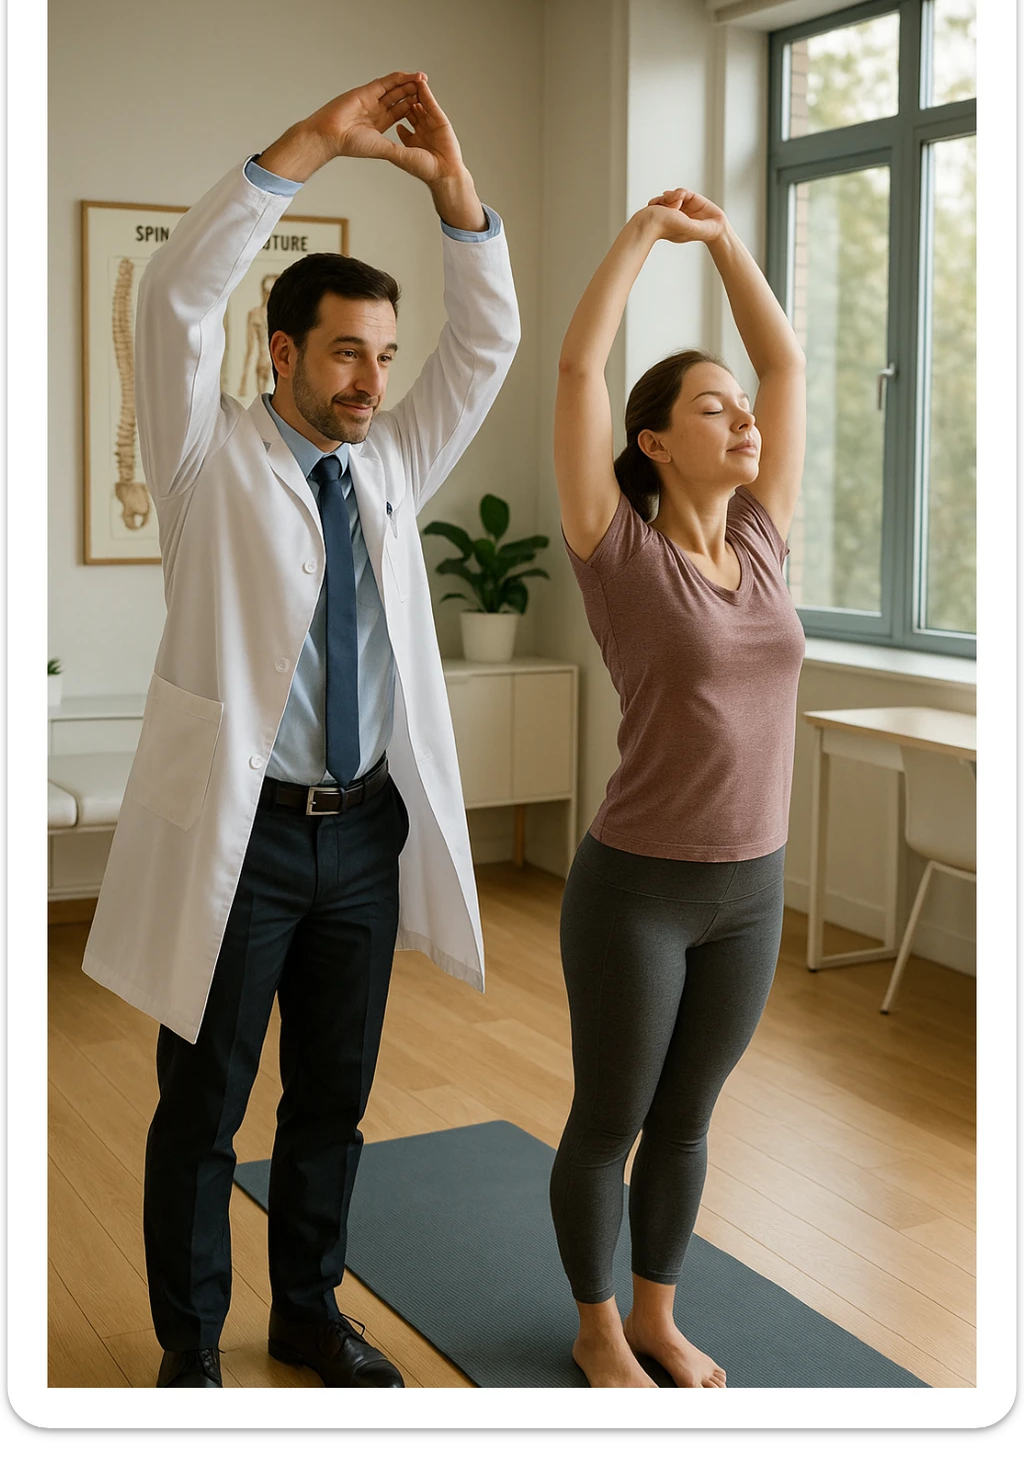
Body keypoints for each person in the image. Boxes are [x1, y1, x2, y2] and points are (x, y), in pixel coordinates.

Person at [82, 71, 520, 1389]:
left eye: (384, 355)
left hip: (363, 835)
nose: (373, 380)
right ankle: (189, 1351)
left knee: (332, 1099)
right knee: (206, 1106)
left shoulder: (390, 463)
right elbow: (175, 299)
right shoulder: (205, 457)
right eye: (345, 353)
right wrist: (319, 144)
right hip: (249, 841)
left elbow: (485, 347)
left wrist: (455, 193)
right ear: (279, 354)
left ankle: (309, 1312)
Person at [549, 187, 806, 1388]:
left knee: (689, 1119)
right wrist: (646, 236)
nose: (744, 417)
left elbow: (784, 363)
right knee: (611, 1118)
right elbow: (577, 369)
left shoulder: (760, 536)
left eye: (740, 407)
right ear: (652, 440)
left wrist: (727, 244)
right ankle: (596, 1328)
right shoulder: (617, 547)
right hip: (638, 890)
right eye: (712, 407)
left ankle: (656, 1317)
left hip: (751, 888)